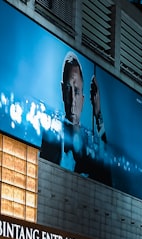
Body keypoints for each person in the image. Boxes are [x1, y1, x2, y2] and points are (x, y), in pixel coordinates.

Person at [40, 52, 111, 184]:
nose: (72, 99)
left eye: (77, 91)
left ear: (83, 99)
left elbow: (108, 181)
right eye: (68, 89)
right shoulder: (52, 137)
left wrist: (98, 115)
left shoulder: (90, 146)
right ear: (62, 92)